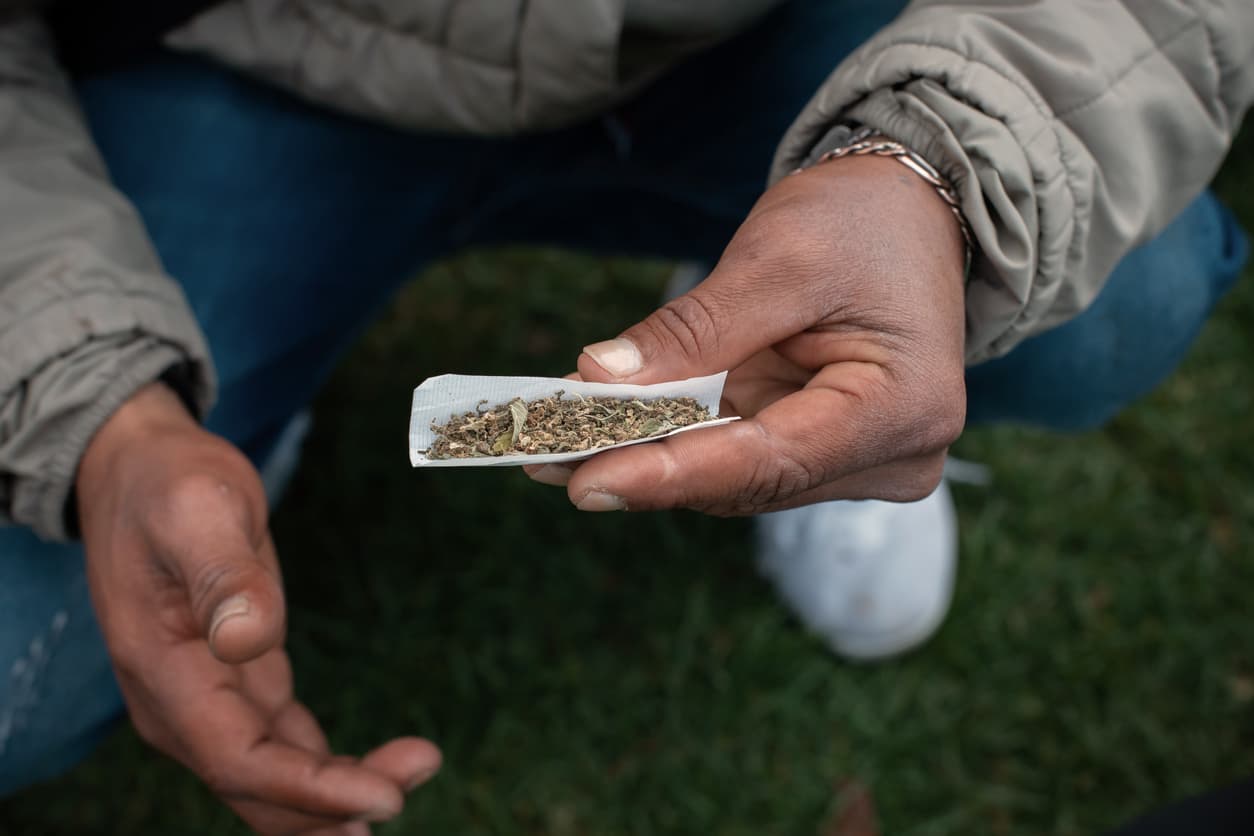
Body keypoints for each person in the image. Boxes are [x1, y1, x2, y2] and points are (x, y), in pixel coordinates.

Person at [0, 0, 1249, 833]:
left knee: (1123, 299)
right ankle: (222, 368)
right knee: (24, 679)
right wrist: (96, 395)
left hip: (767, 38)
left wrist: (937, 170)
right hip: (241, 56)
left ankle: (799, 353)